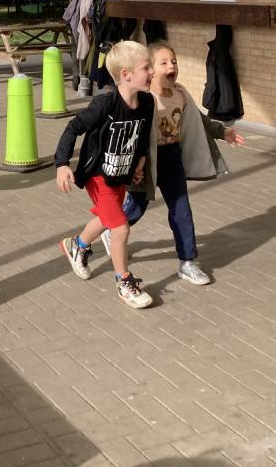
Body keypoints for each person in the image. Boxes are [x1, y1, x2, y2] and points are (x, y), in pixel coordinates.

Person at [95, 42, 246, 287]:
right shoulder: (143, 98)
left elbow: (200, 119)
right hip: (145, 162)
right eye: (163, 62)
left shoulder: (180, 93)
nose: (171, 66)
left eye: (173, 61)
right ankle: (112, 231)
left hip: (172, 158)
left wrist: (222, 132)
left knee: (181, 210)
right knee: (136, 207)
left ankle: (188, 262)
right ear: (150, 70)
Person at [54, 40, 155, 309]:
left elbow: (142, 136)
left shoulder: (147, 102)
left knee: (105, 217)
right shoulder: (105, 104)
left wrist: (139, 164)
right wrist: (62, 163)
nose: (152, 72)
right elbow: (73, 128)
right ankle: (124, 282)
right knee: (120, 228)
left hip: (120, 174)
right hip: (98, 175)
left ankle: (77, 245)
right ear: (126, 74)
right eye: (146, 68)